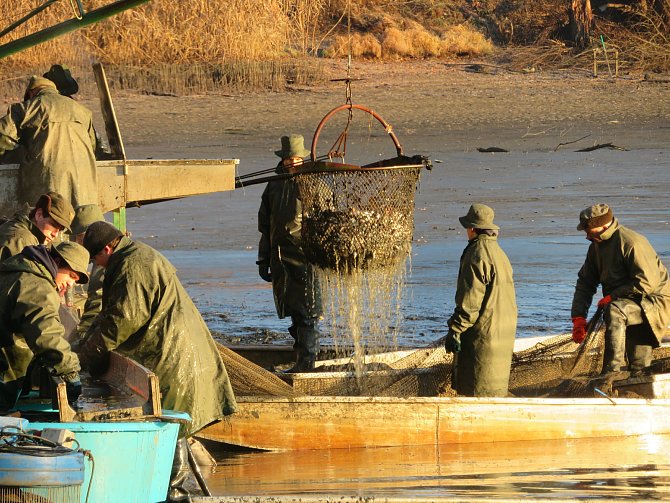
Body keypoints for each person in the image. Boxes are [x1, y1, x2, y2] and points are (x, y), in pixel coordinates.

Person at [79, 221, 237, 501]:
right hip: (168, 350)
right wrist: (84, 346)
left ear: (106, 248)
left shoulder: (134, 265)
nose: (96, 266)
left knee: (171, 421)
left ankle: (174, 494)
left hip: (175, 356)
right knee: (171, 421)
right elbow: (109, 315)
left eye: (95, 259)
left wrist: (86, 356)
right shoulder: (130, 256)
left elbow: (121, 320)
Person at [571, 204, 670, 383]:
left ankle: (611, 371)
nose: (586, 235)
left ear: (602, 225)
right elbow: (585, 282)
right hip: (627, 301)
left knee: (615, 310)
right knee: (638, 367)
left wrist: (613, 296)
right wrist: (578, 317)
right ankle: (633, 375)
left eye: (588, 229)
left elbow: (647, 283)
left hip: (653, 300)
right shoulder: (595, 246)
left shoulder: (631, 242)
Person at [257, 134, 322, 372]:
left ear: (302, 158)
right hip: (280, 257)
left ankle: (307, 362)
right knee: (293, 309)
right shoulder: (273, 185)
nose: (291, 162)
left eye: (295, 158)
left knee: (309, 310)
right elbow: (265, 227)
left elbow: (325, 218)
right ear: (282, 160)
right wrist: (263, 259)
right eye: (288, 159)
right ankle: (301, 359)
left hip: (307, 256)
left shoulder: (313, 182)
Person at [0, 241, 89, 408]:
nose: (71, 284)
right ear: (59, 262)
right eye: (71, 275)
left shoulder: (23, 268)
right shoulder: (38, 286)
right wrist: (69, 371)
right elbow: (46, 334)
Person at [444, 204, 517, 397]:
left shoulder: (477, 253)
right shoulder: (500, 253)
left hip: (483, 336)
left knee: (476, 391)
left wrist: (456, 330)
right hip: (504, 333)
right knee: (495, 390)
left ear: (472, 229)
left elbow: (470, 303)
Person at [0, 75, 97, 209]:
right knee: (81, 222)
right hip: (84, 177)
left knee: (46, 220)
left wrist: (18, 152)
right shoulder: (82, 110)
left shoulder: (25, 108)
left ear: (32, 92)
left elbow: (3, 136)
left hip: (46, 177)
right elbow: (93, 145)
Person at [0, 191, 74, 263]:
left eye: (60, 229)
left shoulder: (28, 235)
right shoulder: (23, 239)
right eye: (53, 225)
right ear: (39, 215)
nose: (55, 234)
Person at [69, 204, 106, 337]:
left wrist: (82, 333)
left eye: (81, 238)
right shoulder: (104, 250)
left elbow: (97, 299)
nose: (79, 243)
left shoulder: (103, 259)